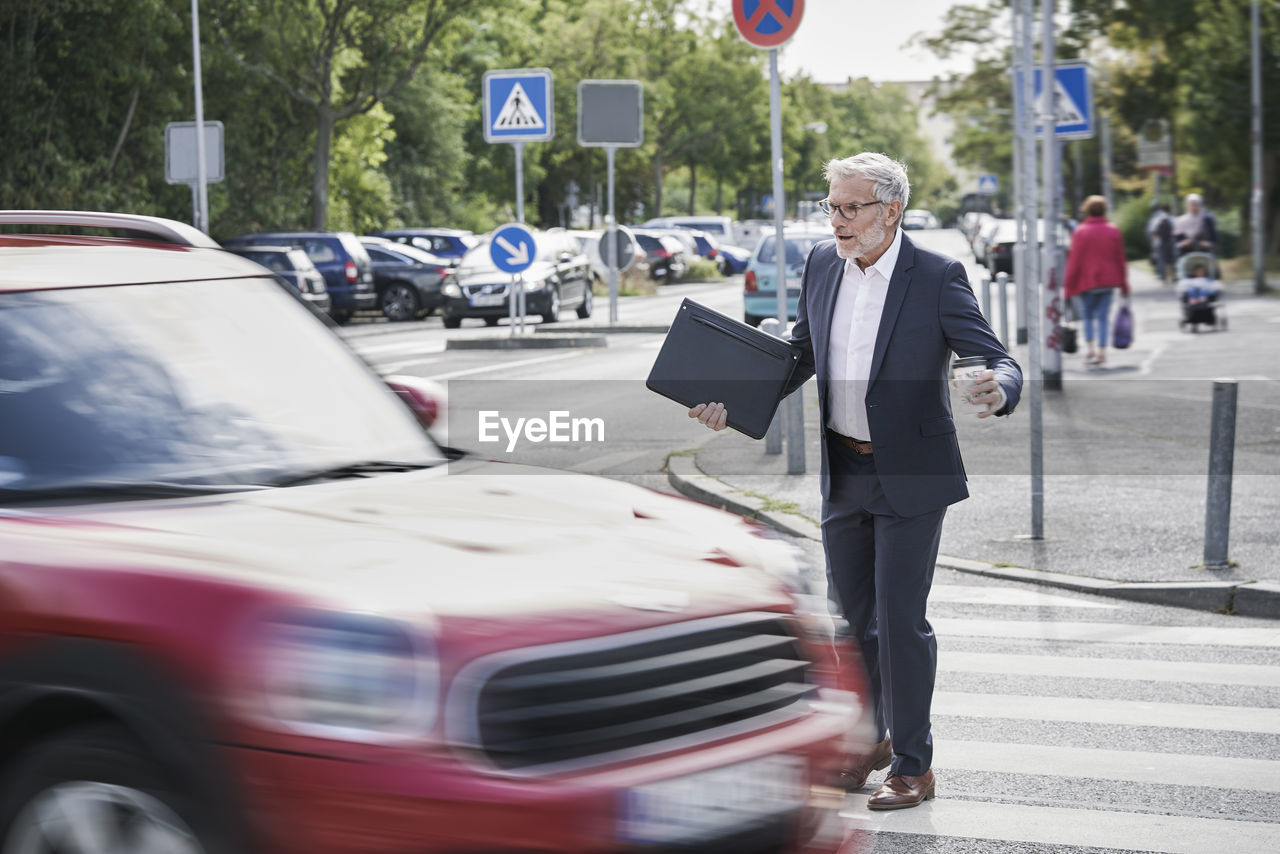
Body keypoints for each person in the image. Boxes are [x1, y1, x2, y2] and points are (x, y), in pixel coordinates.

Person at [688, 153, 1022, 811]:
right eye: (830, 207)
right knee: (854, 622)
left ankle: (914, 764)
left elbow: (997, 356)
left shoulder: (936, 276)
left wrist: (996, 388)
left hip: (912, 475)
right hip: (844, 470)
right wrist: (733, 403)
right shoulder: (819, 264)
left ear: (889, 211)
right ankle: (869, 743)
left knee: (901, 623)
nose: (836, 220)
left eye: (850, 208)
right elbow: (802, 356)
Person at [1063, 195, 1130, 368]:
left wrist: (1069, 285)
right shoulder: (1113, 230)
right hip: (1109, 280)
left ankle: (1090, 351)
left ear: (1087, 210)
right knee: (1102, 317)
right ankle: (1102, 353)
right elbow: (1120, 259)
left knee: (1087, 315)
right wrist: (1124, 283)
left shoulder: (1081, 231)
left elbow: (1074, 260)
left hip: (1088, 281)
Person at [1174, 193, 1218, 261]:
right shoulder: (1181, 220)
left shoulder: (1207, 219)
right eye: (1192, 204)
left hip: (1204, 251)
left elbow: (1214, 239)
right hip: (1186, 252)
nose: (1194, 207)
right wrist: (1184, 243)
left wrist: (1208, 244)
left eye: (1196, 204)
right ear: (1187, 205)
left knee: (1212, 264)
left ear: (1201, 205)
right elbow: (1176, 241)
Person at [1146, 202, 1176, 284]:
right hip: (1171, 241)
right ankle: (1174, 276)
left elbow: (1152, 231)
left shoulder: (1156, 219)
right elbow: (1176, 230)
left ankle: (1163, 276)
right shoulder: (1172, 218)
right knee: (1173, 259)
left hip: (1159, 241)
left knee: (1161, 259)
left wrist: (1154, 240)